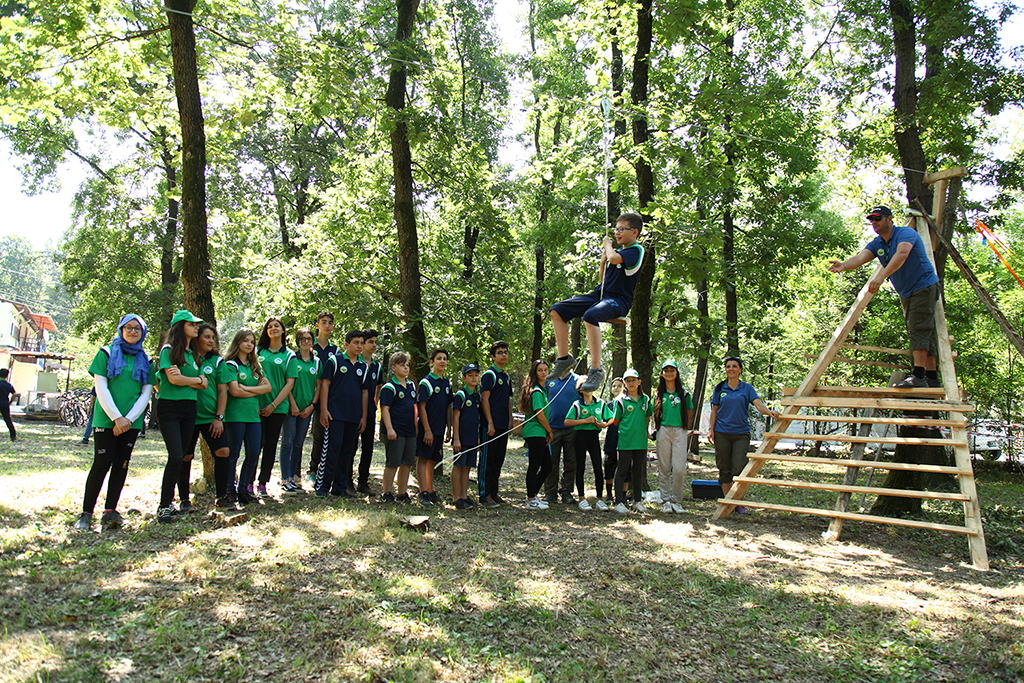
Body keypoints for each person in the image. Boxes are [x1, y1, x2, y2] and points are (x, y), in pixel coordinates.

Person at [828, 205, 941, 388]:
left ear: (890, 219)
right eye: (871, 220)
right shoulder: (877, 243)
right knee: (922, 331)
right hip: (907, 291)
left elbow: (902, 254)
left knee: (918, 328)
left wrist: (880, 277)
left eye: (878, 219)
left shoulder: (905, 234)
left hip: (923, 286)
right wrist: (844, 265)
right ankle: (932, 378)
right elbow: (860, 258)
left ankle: (919, 376)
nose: (874, 223)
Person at [73, 314, 153, 531]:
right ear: (121, 329)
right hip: (106, 420)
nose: (133, 331)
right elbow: (101, 388)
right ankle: (86, 512)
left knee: (121, 464)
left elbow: (146, 394)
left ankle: (110, 510)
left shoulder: (147, 361)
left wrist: (128, 420)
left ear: (143, 333)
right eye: (128, 327)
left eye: (137, 328)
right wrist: (117, 418)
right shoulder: (105, 353)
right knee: (101, 463)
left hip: (131, 422)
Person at [550, 213, 646, 392]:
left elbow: (615, 259)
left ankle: (596, 369)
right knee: (557, 310)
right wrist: (603, 262)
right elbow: (603, 282)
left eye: (621, 229)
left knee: (591, 315)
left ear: (634, 232)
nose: (617, 233)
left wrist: (608, 247)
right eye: (616, 229)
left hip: (619, 299)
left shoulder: (636, 250)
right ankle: (564, 358)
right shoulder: (616, 254)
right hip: (601, 294)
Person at [707, 356, 781, 515]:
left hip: (741, 433)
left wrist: (770, 412)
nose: (731, 369)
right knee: (724, 468)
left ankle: (738, 501)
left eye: (734, 366)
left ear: (740, 370)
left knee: (740, 467)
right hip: (721, 433)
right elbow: (714, 411)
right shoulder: (720, 388)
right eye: (728, 366)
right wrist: (710, 429)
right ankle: (729, 503)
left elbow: (758, 404)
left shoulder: (747, 388)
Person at [156, 310, 206, 524]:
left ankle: (172, 503)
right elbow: (174, 380)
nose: (196, 327)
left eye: (196, 325)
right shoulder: (168, 350)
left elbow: (203, 382)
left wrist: (193, 380)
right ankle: (163, 506)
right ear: (180, 326)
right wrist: (195, 381)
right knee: (175, 455)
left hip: (190, 408)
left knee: (184, 455)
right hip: (169, 408)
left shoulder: (193, 355)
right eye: (191, 324)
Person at [183, 323, 231, 513]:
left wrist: (219, 417)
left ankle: (222, 497)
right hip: (188, 417)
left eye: (213, 337)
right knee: (185, 456)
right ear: (197, 339)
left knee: (223, 452)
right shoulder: (186, 358)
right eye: (207, 337)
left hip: (212, 418)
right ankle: (184, 500)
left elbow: (222, 391)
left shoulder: (218, 362)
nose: (211, 340)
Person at [317, 330, 368, 498]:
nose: (359, 346)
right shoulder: (335, 361)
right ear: (346, 344)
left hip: (353, 416)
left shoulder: (363, 367)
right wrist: (324, 410)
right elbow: (325, 385)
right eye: (356, 343)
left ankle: (339, 488)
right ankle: (323, 487)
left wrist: (363, 416)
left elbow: (365, 393)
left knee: (347, 451)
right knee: (332, 448)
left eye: (361, 343)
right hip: (335, 414)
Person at [224, 329, 272, 506]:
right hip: (235, 416)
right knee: (233, 454)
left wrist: (246, 389)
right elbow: (234, 391)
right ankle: (229, 490)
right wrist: (251, 390)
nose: (249, 344)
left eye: (252, 341)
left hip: (253, 417)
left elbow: (267, 388)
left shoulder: (255, 367)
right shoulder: (230, 365)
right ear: (238, 343)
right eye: (245, 341)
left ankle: (244, 489)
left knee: (253, 453)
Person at [255, 316, 298, 498]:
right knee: (255, 445)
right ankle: (247, 483)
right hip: (255, 406)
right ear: (266, 331)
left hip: (278, 408)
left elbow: (289, 384)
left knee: (270, 446)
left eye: (277, 326)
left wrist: (273, 405)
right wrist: (257, 403)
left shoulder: (289, 355)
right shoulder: (257, 352)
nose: (273, 328)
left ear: (282, 331)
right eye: (270, 326)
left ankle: (262, 483)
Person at [280, 327, 320, 495]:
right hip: (291, 408)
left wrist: (312, 405)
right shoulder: (291, 359)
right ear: (297, 341)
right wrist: (293, 404)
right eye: (302, 339)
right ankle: (285, 479)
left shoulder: (316, 361)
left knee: (298, 444)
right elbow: (286, 384)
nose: (306, 341)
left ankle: (294, 478)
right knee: (287, 442)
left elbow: (318, 386)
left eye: (309, 338)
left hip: (307, 410)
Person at [654, 359, 694, 514]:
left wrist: (684, 430)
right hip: (663, 430)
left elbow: (689, 415)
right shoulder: (658, 394)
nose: (669, 373)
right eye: (666, 370)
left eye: (672, 370)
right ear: (662, 374)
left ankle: (677, 500)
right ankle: (665, 500)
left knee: (679, 468)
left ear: (677, 373)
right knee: (664, 467)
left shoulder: (684, 394)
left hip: (679, 432)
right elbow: (654, 412)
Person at [611, 369, 653, 514]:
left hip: (640, 441)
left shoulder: (646, 400)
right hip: (625, 441)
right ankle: (619, 502)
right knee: (622, 470)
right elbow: (616, 421)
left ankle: (637, 501)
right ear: (625, 383)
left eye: (633, 380)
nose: (631, 383)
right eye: (628, 381)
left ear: (639, 381)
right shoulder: (620, 400)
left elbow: (647, 418)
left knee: (637, 471)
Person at [416, 348, 453, 506]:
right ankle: (422, 492)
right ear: (432, 362)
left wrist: (449, 428)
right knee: (423, 459)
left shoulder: (447, 383)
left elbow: (448, 407)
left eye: (445, 358)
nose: (442, 361)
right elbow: (422, 407)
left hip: (440, 428)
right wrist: (427, 430)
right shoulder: (426, 382)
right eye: (439, 358)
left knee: (432, 460)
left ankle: (430, 490)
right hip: (427, 429)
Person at [379, 351, 416, 504]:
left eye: (407, 365)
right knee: (393, 462)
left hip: (410, 430)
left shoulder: (412, 385)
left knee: (407, 462)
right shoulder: (389, 387)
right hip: (395, 430)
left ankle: (402, 492)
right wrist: (389, 429)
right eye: (402, 365)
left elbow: (414, 408)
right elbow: (385, 409)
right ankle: (386, 493)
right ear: (393, 367)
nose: (405, 368)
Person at [479, 341, 512, 508]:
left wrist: (510, 420)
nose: (504, 355)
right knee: (488, 460)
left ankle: (494, 493)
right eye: (500, 352)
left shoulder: (506, 376)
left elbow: (507, 399)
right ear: (493, 356)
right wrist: (490, 422)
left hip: (503, 425)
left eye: (505, 352)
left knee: (499, 459)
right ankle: (484, 495)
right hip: (490, 426)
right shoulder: (489, 375)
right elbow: (485, 399)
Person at [542, 370, 583, 506]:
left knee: (571, 460)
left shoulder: (577, 380)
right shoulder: (550, 379)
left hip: (572, 427)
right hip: (552, 427)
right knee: (551, 460)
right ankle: (550, 492)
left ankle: (566, 492)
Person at [564, 386, 608, 510]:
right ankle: (582, 498)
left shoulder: (600, 403)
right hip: (580, 437)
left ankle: (600, 498)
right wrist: (585, 421)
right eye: (585, 386)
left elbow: (610, 418)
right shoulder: (577, 404)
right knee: (580, 467)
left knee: (598, 467)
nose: (588, 388)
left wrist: (604, 424)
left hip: (594, 437)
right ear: (580, 390)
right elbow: (567, 421)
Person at [519, 360, 553, 510]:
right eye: (540, 370)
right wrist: (550, 430)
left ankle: (533, 494)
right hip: (535, 432)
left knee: (547, 466)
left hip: (540, 432)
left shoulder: (542, 389)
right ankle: (530, 499)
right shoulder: (537, 391)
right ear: (535, 372)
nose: (544, 372)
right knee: (535, 465)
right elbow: (540, 414)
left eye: (546, 370)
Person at [307, 311, 337, 483]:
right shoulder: (310, 347)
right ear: (317, 325)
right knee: (301, 434)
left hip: (327, 397)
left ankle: (318, 469)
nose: (326, 325)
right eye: (323, 322)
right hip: (308, 395)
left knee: (322, 433)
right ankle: (298, 473)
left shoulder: (336, 350)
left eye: (329, 322)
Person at [356, 328, 385, 495]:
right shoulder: (355, 361)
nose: (374, 345)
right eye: (371, 342)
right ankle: (346, 481)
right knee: (351, 446)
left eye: (375, 342)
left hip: (370, 412)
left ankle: (362, 482)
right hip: (353, 411)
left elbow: (378, 386)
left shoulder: (377, 366)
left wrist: (375, 401)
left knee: (368, 447)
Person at [451, 363, 482, 509]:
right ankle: (456, 497)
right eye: (470, 375)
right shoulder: (460, 395)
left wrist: (477, 437)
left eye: (476, 375)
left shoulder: (477, 396)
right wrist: (456, 438)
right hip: (461, 438)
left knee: (467, 467)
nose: (473, 378)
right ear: (464, 378)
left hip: (472, 438)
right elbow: (456, 417)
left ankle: (464, 495)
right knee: (458, 466)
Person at [601, 377, 624, 506]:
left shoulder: (627, 403)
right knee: (609, 469)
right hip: (611, 441)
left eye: (619, 386)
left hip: (624, 441)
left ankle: (621, 495)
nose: (616, 388)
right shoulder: (608, 405)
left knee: (624, 469)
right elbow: (604, 421)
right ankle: (609, 494)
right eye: (614, 386)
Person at [0, 368, 17, 442]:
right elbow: (14, 394)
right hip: (4, 403)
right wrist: (10, 402)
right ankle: (13, 435)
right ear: (7, 376)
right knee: (7, 419)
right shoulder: (8, 385)